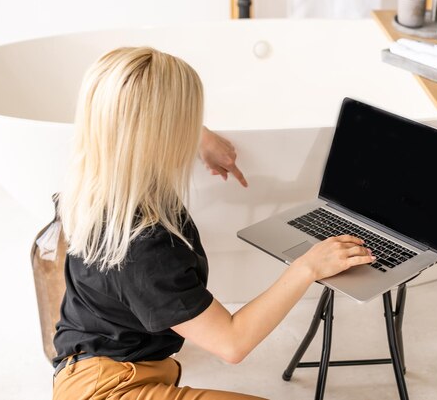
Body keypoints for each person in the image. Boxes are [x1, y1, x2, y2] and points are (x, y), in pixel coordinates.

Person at [52, 46, 375, 400]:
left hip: (91, 369)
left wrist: (200, 137)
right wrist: (307, 267)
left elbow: (126, 107)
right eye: (190, 119)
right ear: (162, 132)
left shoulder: (95, 182)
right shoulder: (144, 246)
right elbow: (232, 342)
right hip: (106, 392)